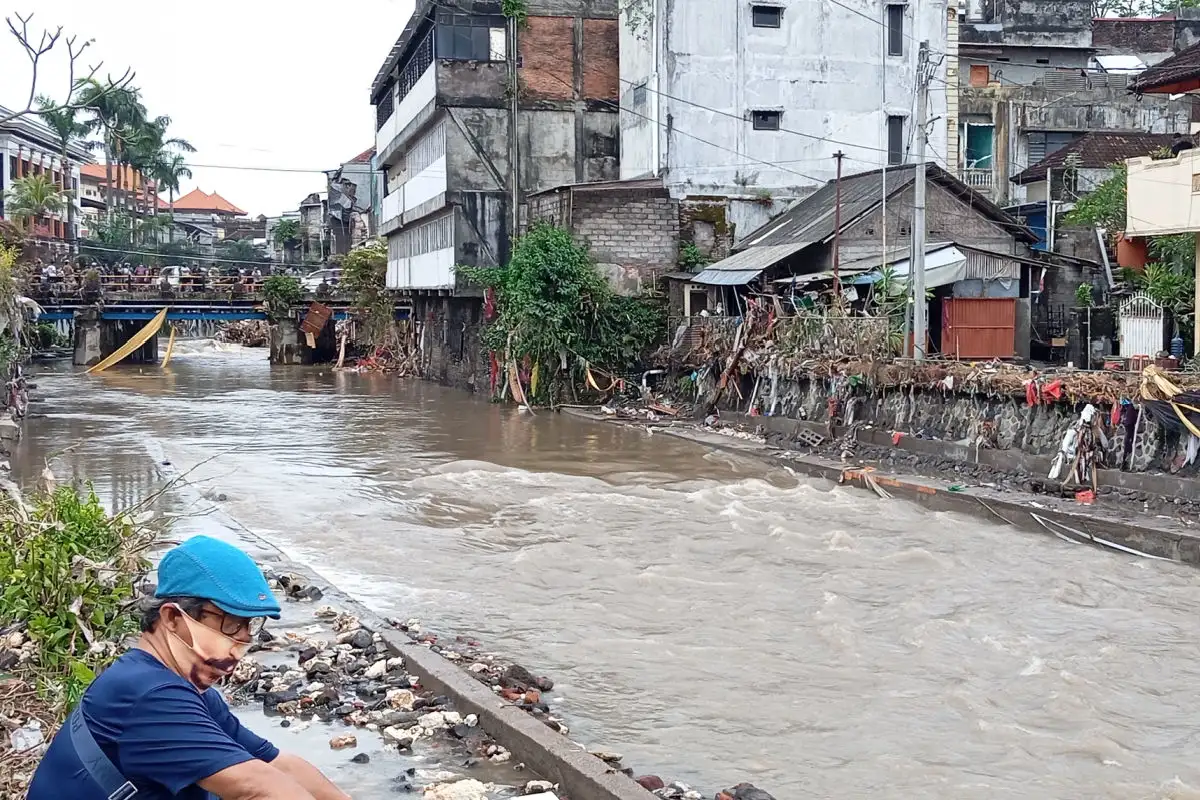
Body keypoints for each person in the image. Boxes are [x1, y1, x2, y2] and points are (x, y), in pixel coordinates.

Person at [29, 535, 351, 800]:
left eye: (249, 627)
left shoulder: (184, 689)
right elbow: (262, 788)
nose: (239, 646)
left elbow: (278, 765)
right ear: (172, 618)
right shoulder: (150, 696)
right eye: (230, 624)